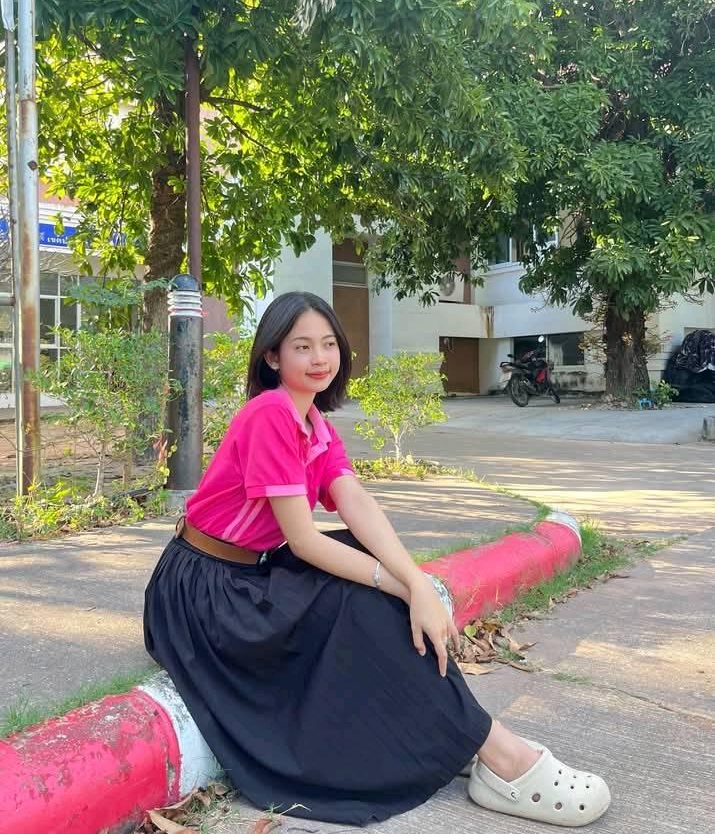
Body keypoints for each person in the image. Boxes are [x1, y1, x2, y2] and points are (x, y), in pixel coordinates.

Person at [144, 291, 610, 827]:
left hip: (247, 575)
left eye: (328, 344)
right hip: (204, 592)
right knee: (364, 599)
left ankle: (467, 734)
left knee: (366, 565)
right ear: (272, 356)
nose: (319, 358)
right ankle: (500, 755)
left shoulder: (314, 423)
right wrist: (400, 587)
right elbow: (304, 542)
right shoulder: (270, 414)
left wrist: (417, 582)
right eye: (302, 347)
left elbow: (357, 503)